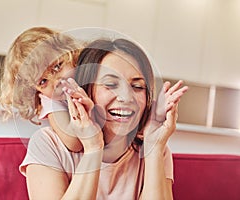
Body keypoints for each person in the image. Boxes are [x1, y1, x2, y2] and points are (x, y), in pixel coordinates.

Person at [19, 37, 188, 199]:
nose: (126, 97)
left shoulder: (156, 150)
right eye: (110, 84)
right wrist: (93, 147)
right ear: (85, 89)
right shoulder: (48, 144)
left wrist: (154, 148)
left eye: (137, 87)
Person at [0, 27, 84, 152]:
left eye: (57, 67)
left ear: (69, 52)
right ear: (35, 91)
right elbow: (74, 143)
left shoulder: (87, 75)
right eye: (43, 81)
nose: (56, 81)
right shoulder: (51, 102)